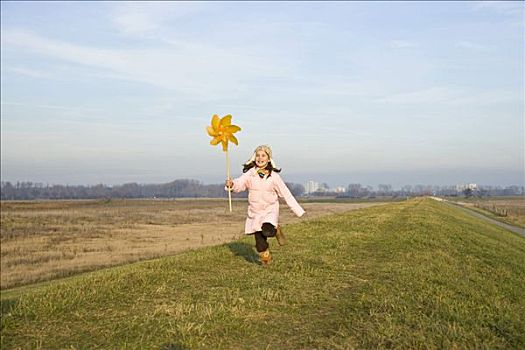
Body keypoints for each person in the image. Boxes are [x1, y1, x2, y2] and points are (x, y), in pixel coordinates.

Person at [226, 145, 305, 266]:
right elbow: (240, 183)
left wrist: (298, 210)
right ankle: (265, 256)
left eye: (263, 155)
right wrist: (232, 184)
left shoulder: (274, 176)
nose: (260, 158)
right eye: (257, 155)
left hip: (270, 210)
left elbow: (286, 193)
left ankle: (276, 229)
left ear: (268, 158)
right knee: (259, 243)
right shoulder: (250, 174)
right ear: (254, 157)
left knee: (268, 230)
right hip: (255, 212)